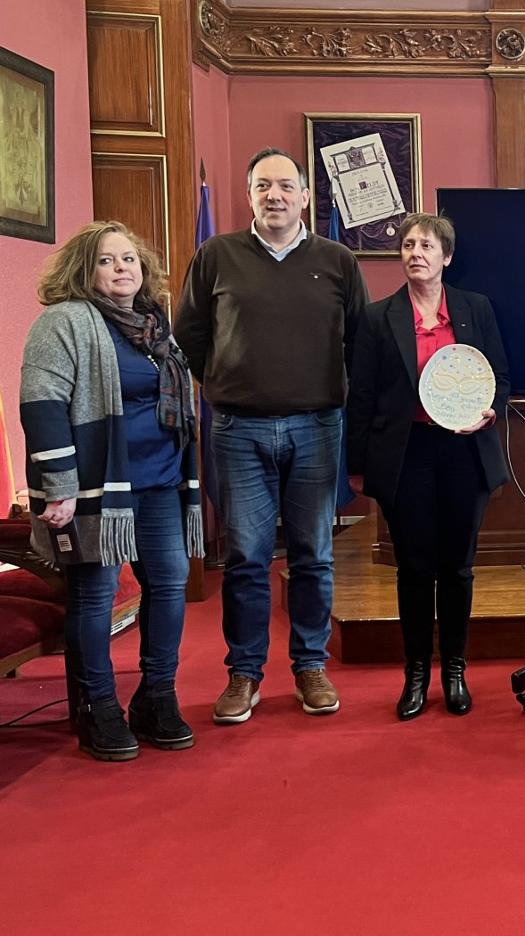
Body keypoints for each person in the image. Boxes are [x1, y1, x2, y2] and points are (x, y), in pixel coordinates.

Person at [174, 147, 368, 724]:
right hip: (238, 429)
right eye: (263, 186)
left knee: (312, 555)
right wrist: (231, 381)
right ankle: (244, 674)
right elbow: (189, 336)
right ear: (249, 194)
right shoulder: (216, 256)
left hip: (317, 428)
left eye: (286, 186)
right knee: (246, 559)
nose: (275, 195)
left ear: (306, 196)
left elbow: (359, 341)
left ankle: (310, 665)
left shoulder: (337, 261)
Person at [20, 221, 202, 761]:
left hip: (160, 481)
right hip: (97, 488)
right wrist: (59, 489)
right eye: (107, 260)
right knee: (96, 593)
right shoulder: (62, 323)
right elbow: (42, 405)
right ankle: (98, 708)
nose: (123, 268)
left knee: (169, 583)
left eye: (130, 258)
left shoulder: (151, 325)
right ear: (83, 268)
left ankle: (157, 697)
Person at [346, 212, 509, 719]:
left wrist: (490, 409)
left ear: (447, 257)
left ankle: (455, 670)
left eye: (427, 246)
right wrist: (356, 467)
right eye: (409, 245)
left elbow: (500, 377)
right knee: (414, 569)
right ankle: (415, 673)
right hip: (405, 455)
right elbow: (363, 397)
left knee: (457, 568)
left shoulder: (475, 309)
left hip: (465, 452)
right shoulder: (376, 318)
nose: (416, 253)